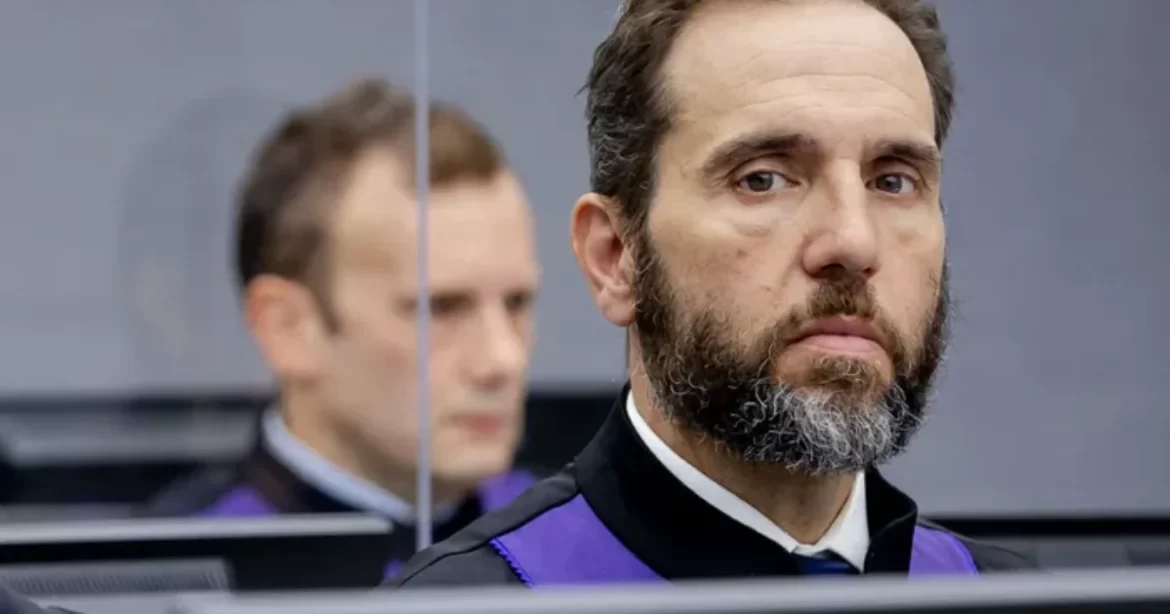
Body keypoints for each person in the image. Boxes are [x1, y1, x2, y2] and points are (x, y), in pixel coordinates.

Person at [392, 0, 1036, 587]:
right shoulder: (474, 602)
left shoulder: (1012, 599)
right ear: (615, 257)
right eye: (763, 179)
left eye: (893, 182)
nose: (853, 241)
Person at [143, 78, 541, 576]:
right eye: (439, 309)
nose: (504, 358)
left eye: (517, 303)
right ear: (287, 328)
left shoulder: (584, 543)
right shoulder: (177, 579)